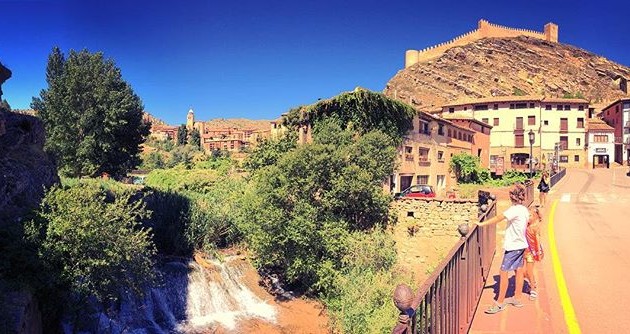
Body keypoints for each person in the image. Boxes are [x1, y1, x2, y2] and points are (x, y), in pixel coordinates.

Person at [476, 183, 529, 314]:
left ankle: (499, 303)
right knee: (518, 271)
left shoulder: (514, 210)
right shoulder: (524, 209)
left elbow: (499, 218)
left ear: (512, 196)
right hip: (521, 245)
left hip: (514, 246)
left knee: (503, 272)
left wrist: (481, 223)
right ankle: (517, 298)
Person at [524, 207, 544, 300]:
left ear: (535, 216)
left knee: (529, 271)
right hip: (524, 251)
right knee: (523, 272)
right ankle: (532, 282)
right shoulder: (525, 225)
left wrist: (539, 253)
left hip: (532, 252)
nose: (528, 217)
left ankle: (533, 289)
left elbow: (537, 240)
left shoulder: (535, 227)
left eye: (530, 215)